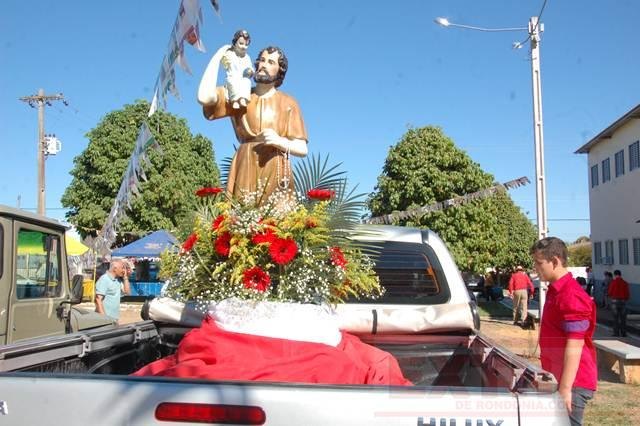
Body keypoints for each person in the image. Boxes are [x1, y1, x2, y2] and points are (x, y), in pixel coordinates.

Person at [198, 44, 308, 200]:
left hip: (276, 166)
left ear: (280, 71)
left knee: (277, 220)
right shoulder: (239, 95)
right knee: (241, 217)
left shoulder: (289, 103)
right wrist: (218, 55)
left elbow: (302, 149)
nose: (263, 65)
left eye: (271, 62)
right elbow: (204, 97)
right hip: (244, 164)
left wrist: (279, 141)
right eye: (262, 60)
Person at [530, 237, 597, 426]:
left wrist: (565, 389)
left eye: (539, 262)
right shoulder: (556, 291)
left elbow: (575, 346)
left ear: (556, 261)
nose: (536, 267)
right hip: (559, 378)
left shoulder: (571, 295)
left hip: (573, 383)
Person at [222, 29, 254, 110]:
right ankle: (234, 101)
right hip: (232, 76)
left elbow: (250, 67)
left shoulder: (247, 57)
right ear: (235, 43)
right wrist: (225, 59)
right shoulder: (230, 53)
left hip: (242, 77)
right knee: (232, 82)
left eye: (246, 45)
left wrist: (251, 71)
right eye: (241, 43)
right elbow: (224, 64)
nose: (243, 46)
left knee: (247, 82)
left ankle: (243, 99)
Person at [607, 270, 630, 337]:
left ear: (615, 275)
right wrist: (625, 299)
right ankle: (623, 333)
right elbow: (627, 294)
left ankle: (616, 333)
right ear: (620, 274)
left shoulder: (613, 282)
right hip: (623, 301)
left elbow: (610, 292)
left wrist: (610, 295)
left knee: (615, 318)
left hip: (614, 301)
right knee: (623, 318)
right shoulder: (625, 283)